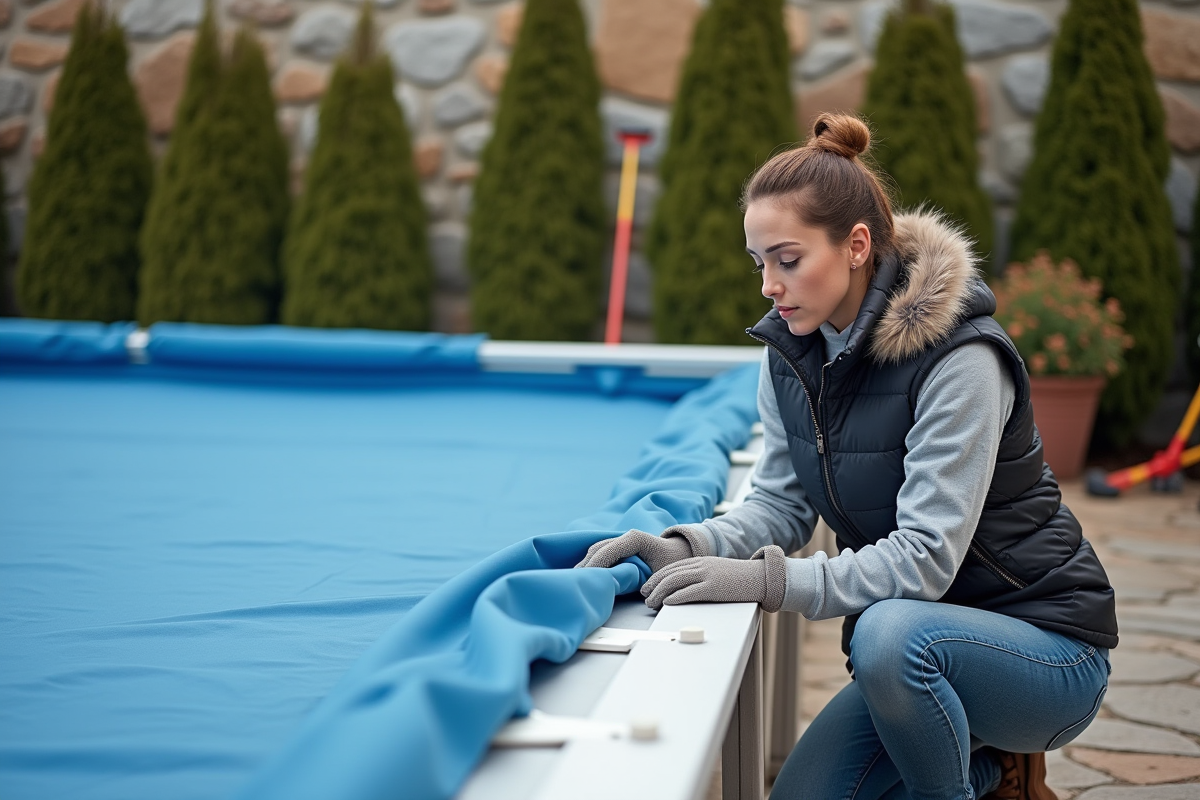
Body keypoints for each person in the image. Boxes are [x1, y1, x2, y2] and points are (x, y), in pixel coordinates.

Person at [576, 113, 1116, 800]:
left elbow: (924, 557)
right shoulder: (790, 357)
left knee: (887, 636)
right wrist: (683, 546)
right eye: (759, 262)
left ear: (857, 245)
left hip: (1044, 650)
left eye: (788, 259)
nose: (769, 285)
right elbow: (780, 502)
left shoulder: (961, 360)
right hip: (918, 659)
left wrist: (772, 584)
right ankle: (994, 777)